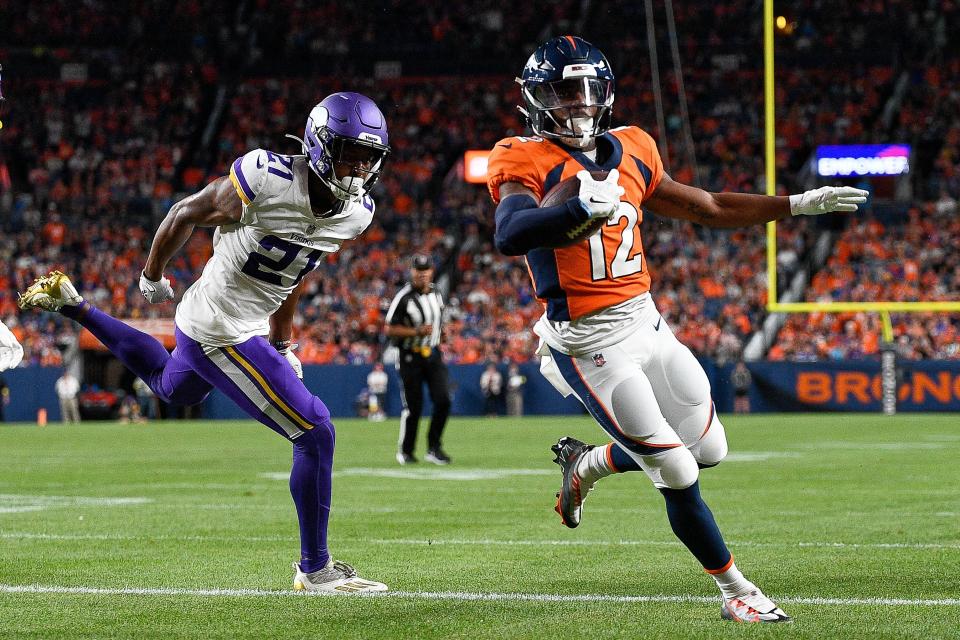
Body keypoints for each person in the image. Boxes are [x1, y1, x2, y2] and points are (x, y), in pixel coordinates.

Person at [487, 36, 868, 623]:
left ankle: (586, 465)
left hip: (647, 324)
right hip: (589, 345)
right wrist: (573, 211)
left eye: (588, 90)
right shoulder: (521, 157)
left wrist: (794, 205)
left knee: (709, 449)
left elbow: (708, 206)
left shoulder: (634, 147)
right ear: (538, 98)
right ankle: (738, 593)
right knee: (677, 470)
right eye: (564, 92)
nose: (579, 105)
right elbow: (510, 234)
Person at [18, 92, 392, 594]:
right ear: (320, 144)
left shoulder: (356, 212)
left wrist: (282, 344)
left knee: (172, 389)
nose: (359, 166)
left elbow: (294, 271)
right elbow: (185, 212)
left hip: (225, 322)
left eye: (369, 156)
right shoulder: (268, 176)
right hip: (221, 326)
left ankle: (73, 305)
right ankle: (315, 567)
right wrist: (152, 273)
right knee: (316, 431)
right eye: (349, 152)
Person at [384, 254, 452, 465]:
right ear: (412, 272)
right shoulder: (403, 297)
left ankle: (434, 447)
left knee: (443, 400)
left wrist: (442, 333)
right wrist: (416, 331)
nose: (422, 274)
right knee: (414, 407)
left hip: (433, 354)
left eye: (425, 270)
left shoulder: (437, 293)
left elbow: (439, 319)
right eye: (418, 270)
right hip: (410, 357)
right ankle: (406, 451)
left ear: (431, 271)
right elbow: (389, 328)